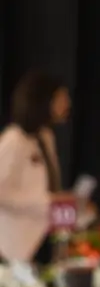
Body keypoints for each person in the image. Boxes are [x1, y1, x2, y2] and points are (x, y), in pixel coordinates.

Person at [0, 71, 87, 266]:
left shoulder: (45, 137)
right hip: (12, 246)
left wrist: (76, 209)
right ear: (43, 101)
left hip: (43, 240)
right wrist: (49, 201)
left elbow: (48, 193)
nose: (67, 104)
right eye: (61, 98)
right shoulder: (14, 140)